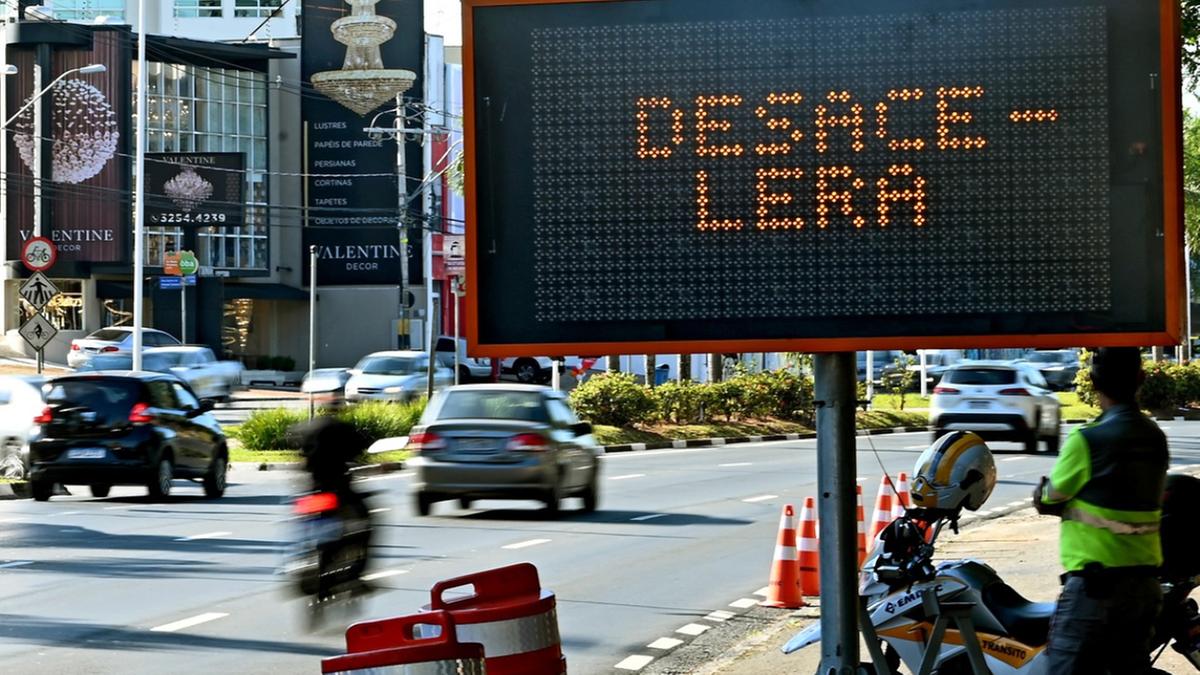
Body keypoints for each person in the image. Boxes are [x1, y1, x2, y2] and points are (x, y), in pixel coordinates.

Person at [1034, 347, 1169, 674]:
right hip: (1144, 588)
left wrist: (1042, 491)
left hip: (1095, 591)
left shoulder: (1088, 440)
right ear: (1142, 378)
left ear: (1093, 382)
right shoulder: (1155, 437)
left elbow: (1050, 498)